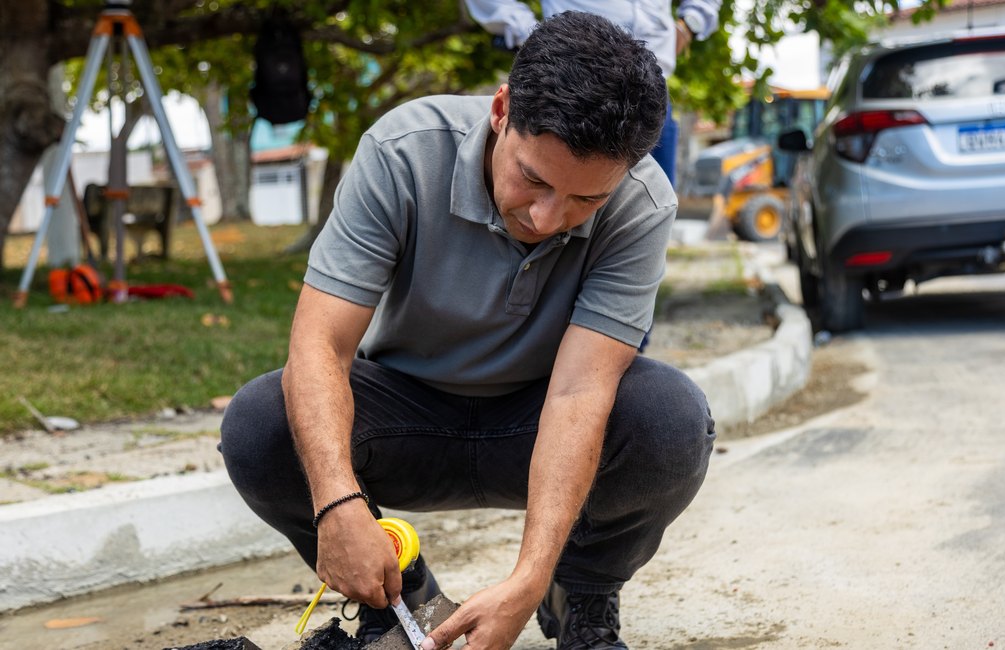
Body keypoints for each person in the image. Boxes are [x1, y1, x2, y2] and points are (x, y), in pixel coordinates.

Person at [220, 11, 714, 650]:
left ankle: (580, 594)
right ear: (502, 109)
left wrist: (529, 579)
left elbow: (580, 392)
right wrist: (339, 506)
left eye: (583, 200)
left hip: (538, 419)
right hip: (403, 414)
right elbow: (321, 343)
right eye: (533, 178)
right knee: (261, 424)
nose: (546, 216)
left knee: (671, 421)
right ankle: (399, 597)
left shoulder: (642, 203)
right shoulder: (402, 152)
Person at [464, 0, 722, 187]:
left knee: (653, 210)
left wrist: (689, 24)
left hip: (653, 87)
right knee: (557, 208)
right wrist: (534, 34)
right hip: (572, 83)